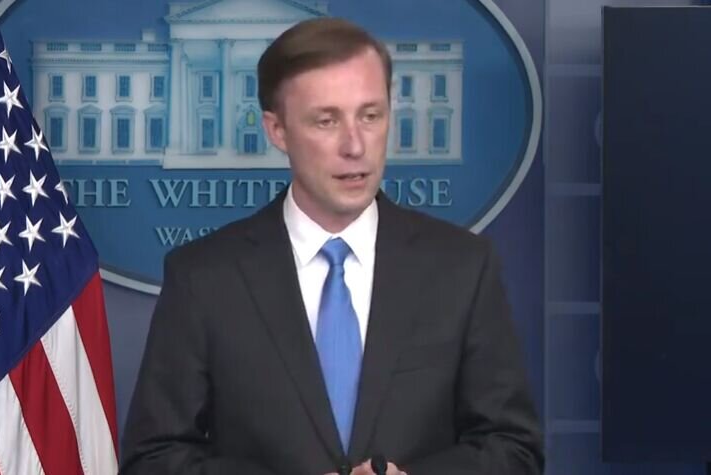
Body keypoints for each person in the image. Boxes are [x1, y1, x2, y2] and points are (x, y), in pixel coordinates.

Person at [120, 17, 543, 475]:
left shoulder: (462, 267)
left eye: (370, 116)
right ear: (277, 130)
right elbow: (153, 460)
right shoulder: (204, 278)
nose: (355, 145)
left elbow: (513, 449)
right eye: (327, 120)